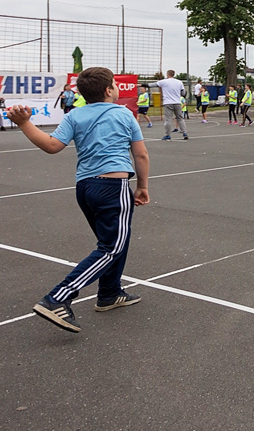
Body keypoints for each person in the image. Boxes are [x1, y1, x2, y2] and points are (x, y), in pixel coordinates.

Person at [10, 67, 150, 333]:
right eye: (115, 85)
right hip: (113, 185)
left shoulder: (75, 114)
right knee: (111, 247)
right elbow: (141, 155)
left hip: (85, 187)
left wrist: (24, 124)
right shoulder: (123, 113)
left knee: (116, 241)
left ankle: (109, 293)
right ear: (109, 90)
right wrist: (142, 185)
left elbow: (52, 146)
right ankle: (58, 298)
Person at [151, 70, 188, 140]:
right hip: (177, 102)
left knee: (168, 119)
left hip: (168, 103)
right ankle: (184, 133)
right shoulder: (179, 82)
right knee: (180, 118)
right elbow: (183, 93)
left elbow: (152, 85)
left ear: (168, 74)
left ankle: (167, 134)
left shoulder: (164, 82)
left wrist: (141, 85)